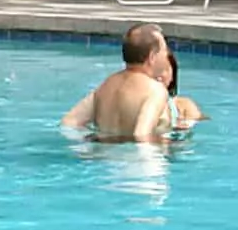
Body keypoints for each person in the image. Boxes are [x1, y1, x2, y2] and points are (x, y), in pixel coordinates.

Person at [60, 22, 192, 144]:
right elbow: (141, 135)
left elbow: (69, 123)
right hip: (137, 162)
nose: (166, 53)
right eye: (163, 50)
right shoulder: (155, 91)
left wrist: (89, 147)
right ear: (152, 57)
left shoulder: (106, 85)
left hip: (104, 162)